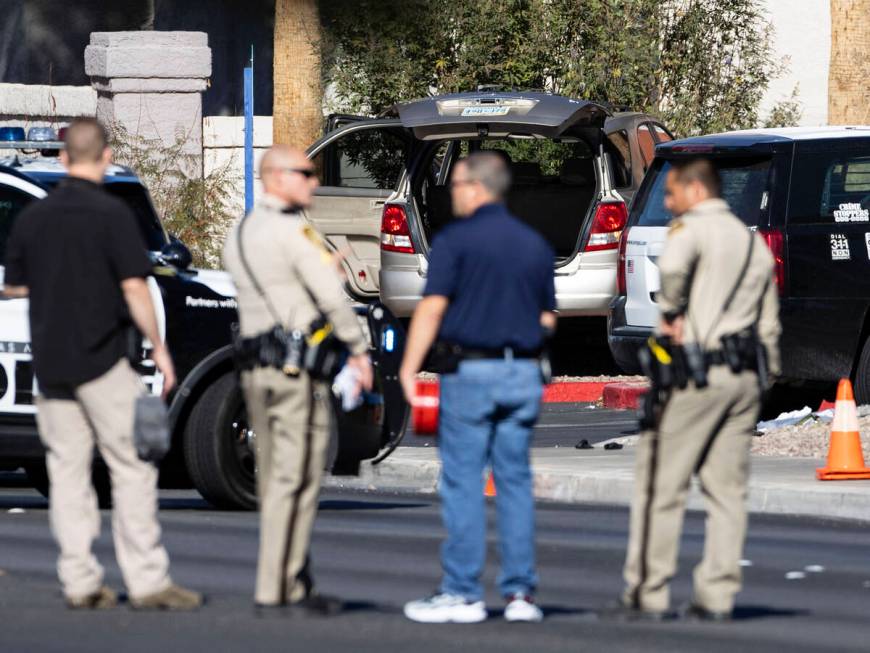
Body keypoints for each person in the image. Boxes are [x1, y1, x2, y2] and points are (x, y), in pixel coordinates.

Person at [2, 117, 202, 610]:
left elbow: (14, 286)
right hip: (105, 361)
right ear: (107, 157)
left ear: (63, 159)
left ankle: (80, 580)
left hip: (51, 366)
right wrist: (159, 347)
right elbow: (136, 285)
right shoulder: (113, 216)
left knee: (67, 475)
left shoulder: (32, 219)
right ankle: (147, 579)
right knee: (130, 469)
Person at [616, 158, 781, 621]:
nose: (669, 204)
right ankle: (717, 593)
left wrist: (673, 310)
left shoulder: (688, 233)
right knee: (727, 492)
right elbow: (769, 324)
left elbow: (670, 279)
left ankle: (647, 591)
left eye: (672, 194)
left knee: (660, 483)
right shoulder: (753, 245)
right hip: (746, 377)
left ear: (694, 190)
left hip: (699, 374)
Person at [399, 151, 557, 624]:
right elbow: (547, 316)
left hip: (471, 373)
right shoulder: (534, 244)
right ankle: (520, 595)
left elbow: (431, 309)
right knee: (514, 483)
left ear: (474, 186)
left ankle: (463, 591)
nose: (453, 193)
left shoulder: (457, 240)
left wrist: (409, 369)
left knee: (464, 482)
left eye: (456, 185)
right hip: (523, 372)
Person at [222, 145, 373, 615]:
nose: (313, 181)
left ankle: (292, 577)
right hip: (295, 371)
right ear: (277, 178)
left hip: (254, 369)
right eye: (305, 173)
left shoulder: (240, 230)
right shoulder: (294, 231)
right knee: (300, 477)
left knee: (273, 477)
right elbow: (331, 297)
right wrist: (359, 350)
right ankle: (278, 586)